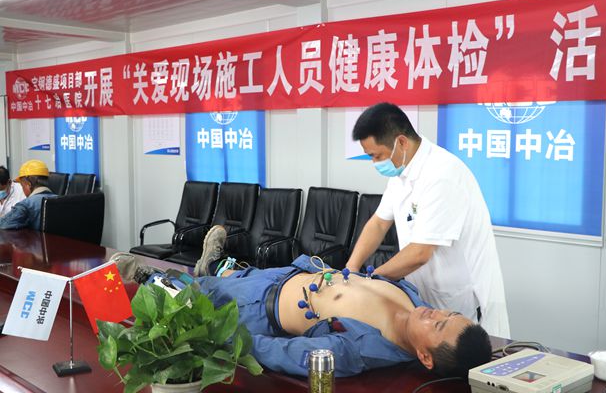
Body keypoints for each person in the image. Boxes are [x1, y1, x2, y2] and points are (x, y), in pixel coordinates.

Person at [117, 225, 493, 378]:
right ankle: (212, 264)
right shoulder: (412, 298)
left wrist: (223, 339)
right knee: (229, 276)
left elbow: (284, 353)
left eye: (438, 325)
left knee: (194, 299)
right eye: (448, 313)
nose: (435, 312)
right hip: (286, 275)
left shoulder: (361, 350)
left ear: (425, 357)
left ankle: (148, 277)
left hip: (259, 309)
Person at [344, 103, 510, 339]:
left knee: (461, 356)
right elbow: (379, 223)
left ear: (401, 142)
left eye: (377, 155)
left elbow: (420, 253)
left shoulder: (442, 174)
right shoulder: (401, 172)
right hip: (428, 297)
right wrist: (351, 268)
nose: (375, 163)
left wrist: (371, 282)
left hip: (462, 302)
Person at [0, 160, 56, 230]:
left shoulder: (26, 205)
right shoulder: (62, 201)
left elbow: (2, 224)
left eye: (22, 185)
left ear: (28, 184)